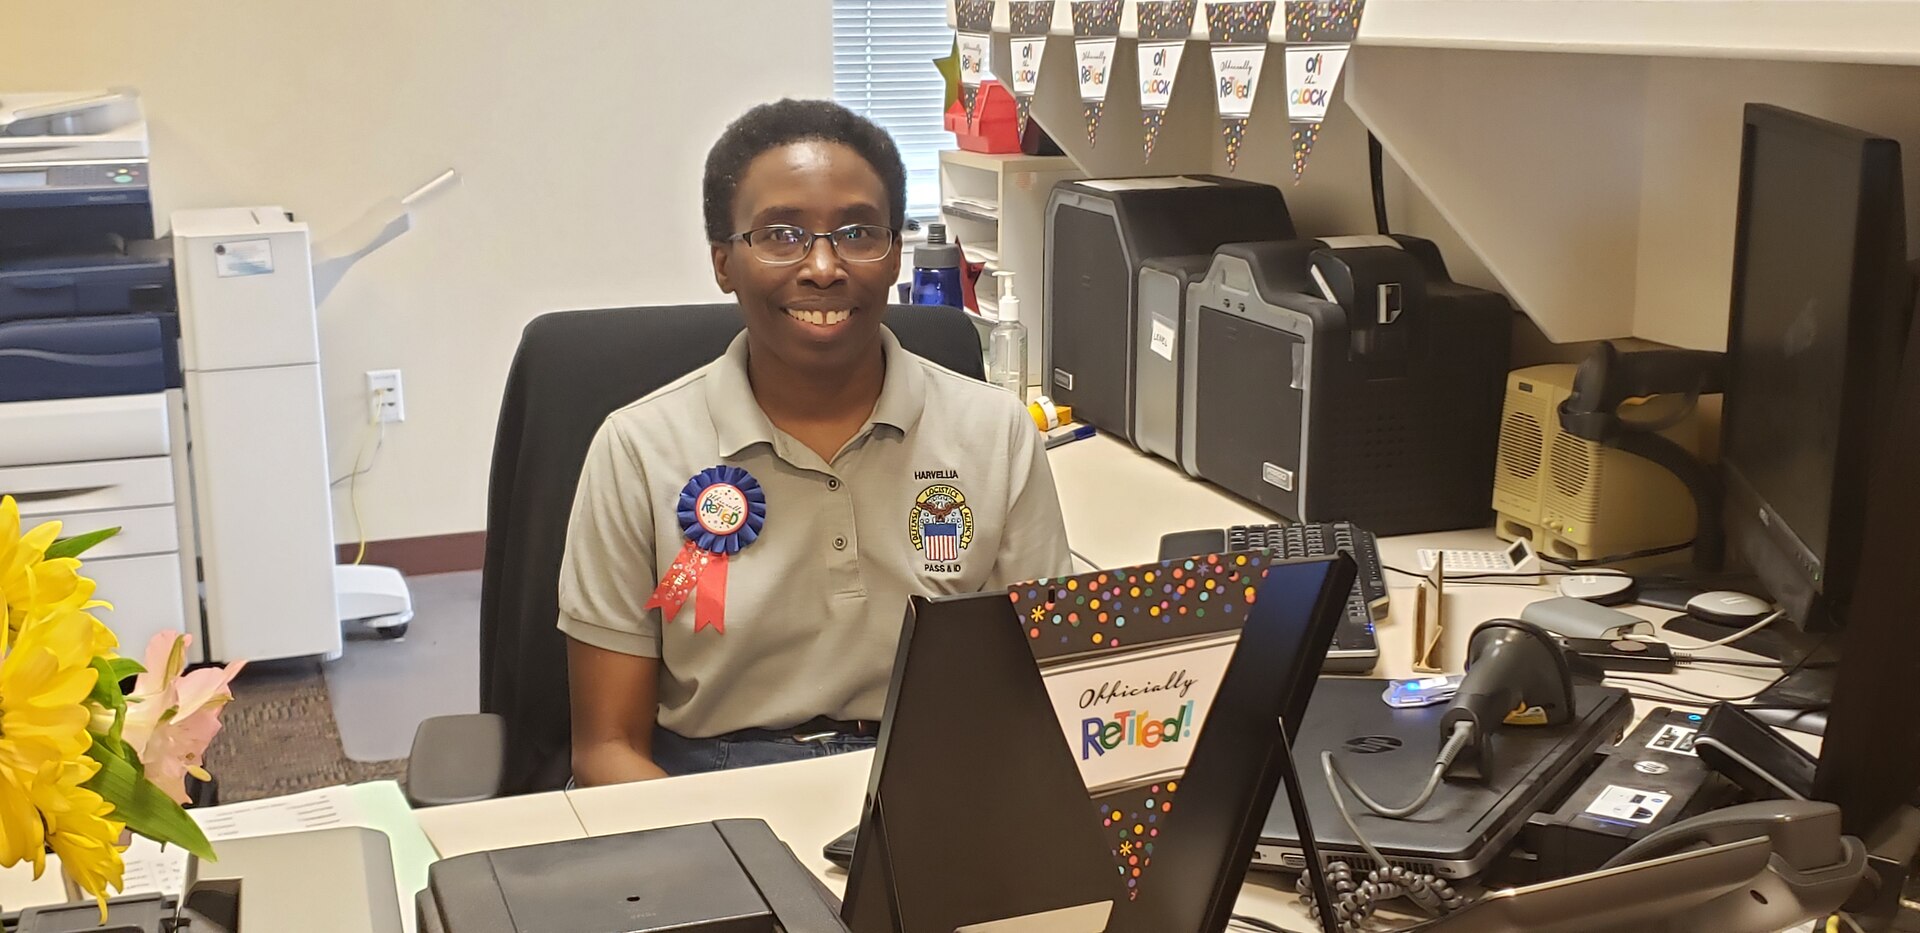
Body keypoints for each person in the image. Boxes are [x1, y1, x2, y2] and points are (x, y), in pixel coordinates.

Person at [558, 99, 1071, 785]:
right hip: (713, 783)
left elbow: (1044, 687)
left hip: (932, 772)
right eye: (781, 235)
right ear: (723, 261)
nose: (824, 266)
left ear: (894, 254)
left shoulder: (996, 433)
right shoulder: (636, 449)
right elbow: (607, 748)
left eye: (859, 232)